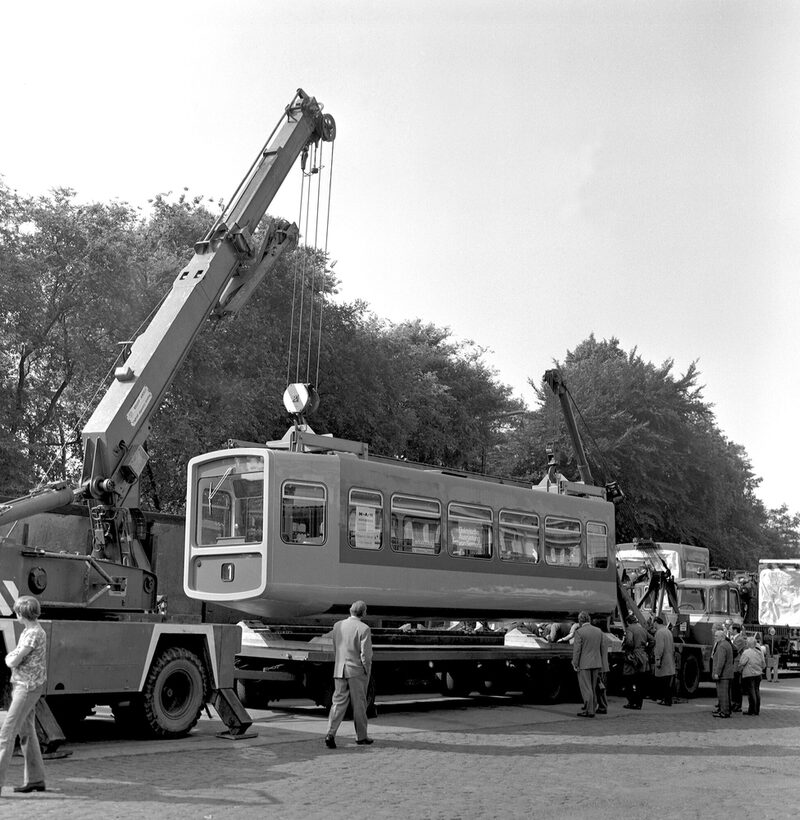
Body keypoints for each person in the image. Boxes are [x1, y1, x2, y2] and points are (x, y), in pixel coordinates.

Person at [0, 596, 48, 795]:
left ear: (21, 613)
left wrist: (9, 657)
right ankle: (36, 780)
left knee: (6, 734)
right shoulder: (34, 630)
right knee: (27, 732)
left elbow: (14, 660)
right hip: (29, 685)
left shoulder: (31, 635)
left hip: (26, 687)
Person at [324, 600, 373, 749]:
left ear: (350, 610)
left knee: (337, 703)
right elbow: (366, 655)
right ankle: (361, 736)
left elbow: (335, 646)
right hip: (356, 670)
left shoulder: (337, 625)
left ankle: (330, 734)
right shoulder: (364, 628)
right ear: (363, 612)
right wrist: (366, 671)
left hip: (339, 669)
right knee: (359, 704)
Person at [571, 611, 603, 718]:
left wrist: (575, 663)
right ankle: (592, 708)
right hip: (596, 662)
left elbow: (577, 650)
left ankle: (589, 711)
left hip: (584, 663)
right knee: (593, 688)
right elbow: (601, 648)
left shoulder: (579, 632)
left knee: (586, 688)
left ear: (580, 620)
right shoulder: (598, 631)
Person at [622, 613, 649, 710]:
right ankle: (638, 704)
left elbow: (629, 642)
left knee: (628, 680)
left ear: (628, 622)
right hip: (642, 657)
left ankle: (631, 702)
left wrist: (627, 648)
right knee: (639, 682)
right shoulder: (643, 629)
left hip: (633, 657)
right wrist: (646, 650)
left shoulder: (630, 629)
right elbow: (653, 640)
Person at [739, 636, 766, 715]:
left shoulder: (746, 652)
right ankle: (757, 709)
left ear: (748, 644)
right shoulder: (759, 652)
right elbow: (763, 664)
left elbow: (742, 663)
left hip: (749, 674)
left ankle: (752, 710)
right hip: (758, 674)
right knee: (757, 691)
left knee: (751, 692)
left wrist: (740, 669)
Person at [711, 627, 734, 718]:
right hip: (727, 673)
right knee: (726, 694)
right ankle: (726, 710)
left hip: (724, 674)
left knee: (723, 694)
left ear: (721, 637)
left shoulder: (722, 646)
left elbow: (721, 661)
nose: (715, 637)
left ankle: (724, 711)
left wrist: (717, 673)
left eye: (716, 636)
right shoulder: (726, 644)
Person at [653, 616, 675, 706]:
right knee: (667, 682)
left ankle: (664, 700)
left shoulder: (659, 633)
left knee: (662, 682)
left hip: (663, 661)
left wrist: (658, 659)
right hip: (669, 659)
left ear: (655, 622)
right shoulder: (668, 631)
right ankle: (668, 700)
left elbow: (659, 648)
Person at [594, 619, 614, 715]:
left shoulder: (599, 637)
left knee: (600, 688)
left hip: (599, 666)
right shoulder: (604, 636)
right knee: (601, 687)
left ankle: (602, 706)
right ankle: (602, 705)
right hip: (604, 665)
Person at [729, 624, 746, 712]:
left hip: (736, 665)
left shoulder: (739, 639)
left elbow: (734, 650)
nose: (729, 630)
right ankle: (734, 703)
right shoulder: (735, 639)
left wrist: (728, 642)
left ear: (735, 630)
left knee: (737, 685)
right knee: (734, 685)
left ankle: (738, 704)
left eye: (730, 629)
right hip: (733, 665)